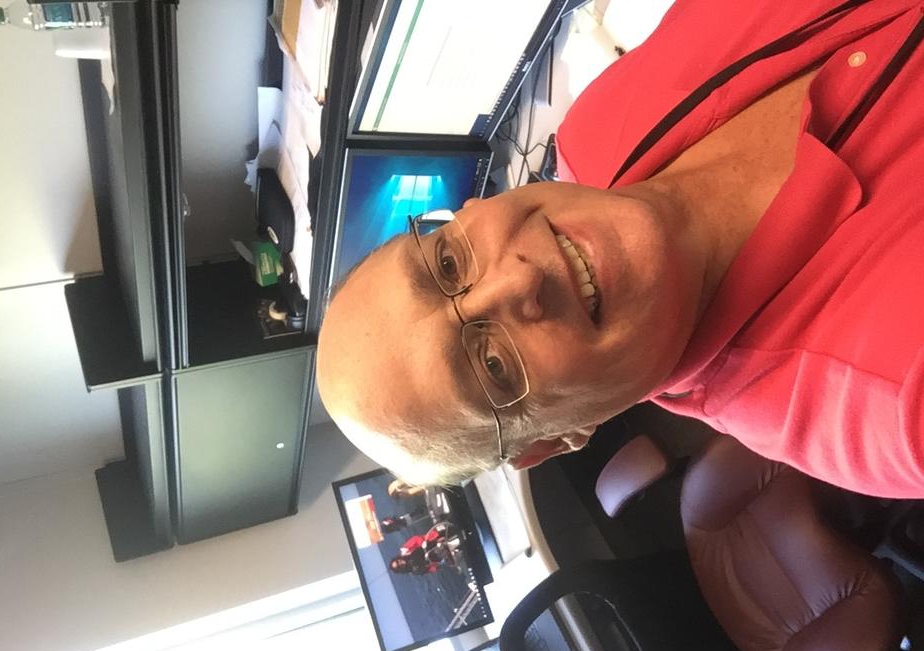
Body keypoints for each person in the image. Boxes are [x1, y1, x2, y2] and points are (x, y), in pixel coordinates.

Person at [318, 0, 924, 498]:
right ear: (557, 440)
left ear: (465, 212)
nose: (518, 281)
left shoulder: (598, 128)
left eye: (448, 263)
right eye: (494, 368)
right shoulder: (892, 403)